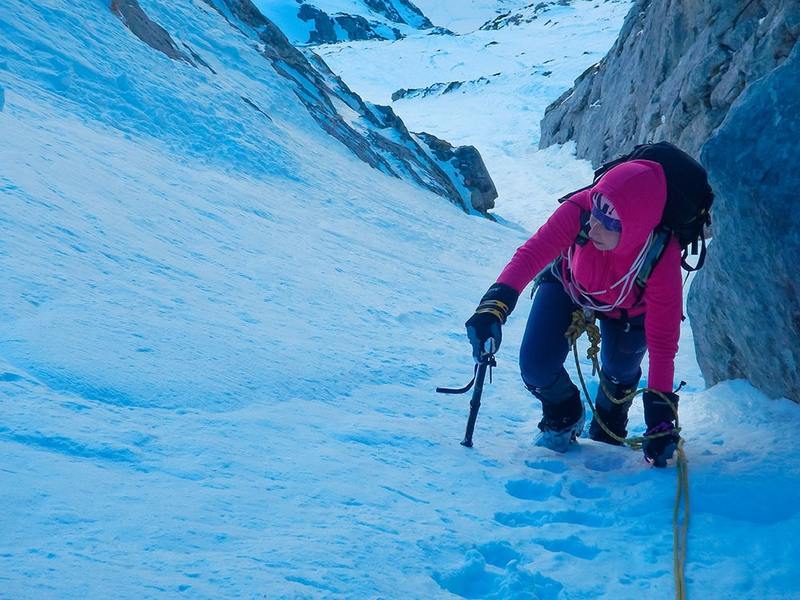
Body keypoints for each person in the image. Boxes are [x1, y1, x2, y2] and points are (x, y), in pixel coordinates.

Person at [465, 160, 682, 467]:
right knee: (536, 366)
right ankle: (564, 414)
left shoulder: (661, 254)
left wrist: (661, 418)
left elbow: (663, 344)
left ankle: (611, 420)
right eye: (596, 211)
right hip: (570, 283)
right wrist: (494, 306)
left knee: (620, 369)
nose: (593, 225)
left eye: (609, 222)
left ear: (636, 226)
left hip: (630, 308)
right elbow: (532, 254)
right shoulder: (582, 209)